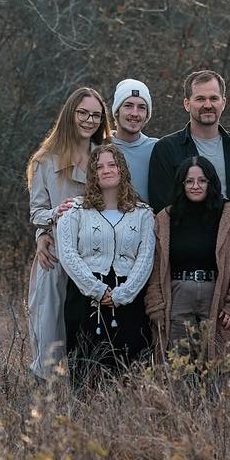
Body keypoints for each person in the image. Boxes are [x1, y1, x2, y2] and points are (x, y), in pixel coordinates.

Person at [26, 86, 111, 377]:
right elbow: (36, 212)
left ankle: (85, 400)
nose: (89, 120)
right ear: (70, 115)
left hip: (96, 259)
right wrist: (49, 222)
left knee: (90, 337)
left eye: (96, 115)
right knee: (49, 333)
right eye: (83, 113)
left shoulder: (105, 157)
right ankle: (44, 406)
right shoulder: (45, 160)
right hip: (56, 258)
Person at [56, 144, 155, 386]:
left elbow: (146, 257)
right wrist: (97, 290)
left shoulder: (142, 213)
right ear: (92, 174)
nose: (106, 170)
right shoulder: (76, 211)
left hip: (128, 298)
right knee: (85, 369)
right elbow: (68, 254)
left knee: (129, 371)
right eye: (99, 167)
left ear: (122, 170)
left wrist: (124, 293)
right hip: (85, 297)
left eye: (112, 164)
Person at [144, 156, 230, 374]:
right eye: (189, 181)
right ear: (181, 184)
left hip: (216, 296)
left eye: (202, 181)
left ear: (211, 183)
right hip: (177, 296)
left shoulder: (229, 219)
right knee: (178, 367)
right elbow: (154, 265)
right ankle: (182, 408)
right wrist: (155, 306)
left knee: (220, 368)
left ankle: (217, 409)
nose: (195, 186)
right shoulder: (165, 219)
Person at [147, 69, 230, 244]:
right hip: (188, 250)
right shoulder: (166, 149)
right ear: (186, 104)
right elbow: (162, 208)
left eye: (214, 98)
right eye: (200, 99)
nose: (208, 105)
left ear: (223, 102)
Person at [110, 78, 158, 202]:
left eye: (141, 107)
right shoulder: (99, 146)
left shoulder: (158, 148)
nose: (135, 113)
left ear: (147, 115)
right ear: (116, 111)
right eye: (128, 106)